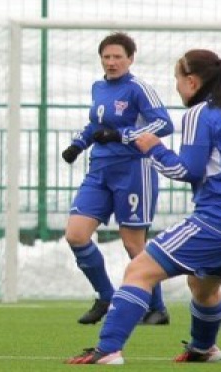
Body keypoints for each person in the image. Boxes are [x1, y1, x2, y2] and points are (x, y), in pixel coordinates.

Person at [67, 48, 221, 365]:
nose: (177, 88)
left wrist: (155, 149)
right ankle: (203, 347)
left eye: (178, 81)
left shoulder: (200, 113)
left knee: (139, 270)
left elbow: (186, 171)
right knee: (203, 284)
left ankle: (108, 349)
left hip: (216, 221)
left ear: (192, 81)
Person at [61, 32, 174, 325]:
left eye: (117, 57)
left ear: (130, 59)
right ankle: (106, 295)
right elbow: (95, 124)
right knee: (75, 234)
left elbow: (163, 123)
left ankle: (156, 308)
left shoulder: (138, 89)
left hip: (133, 171)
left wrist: (121, 135)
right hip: (99, 171)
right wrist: (78, 144)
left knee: (133, 244)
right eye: (107, 57)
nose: (111, 62)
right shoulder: (98, 87)